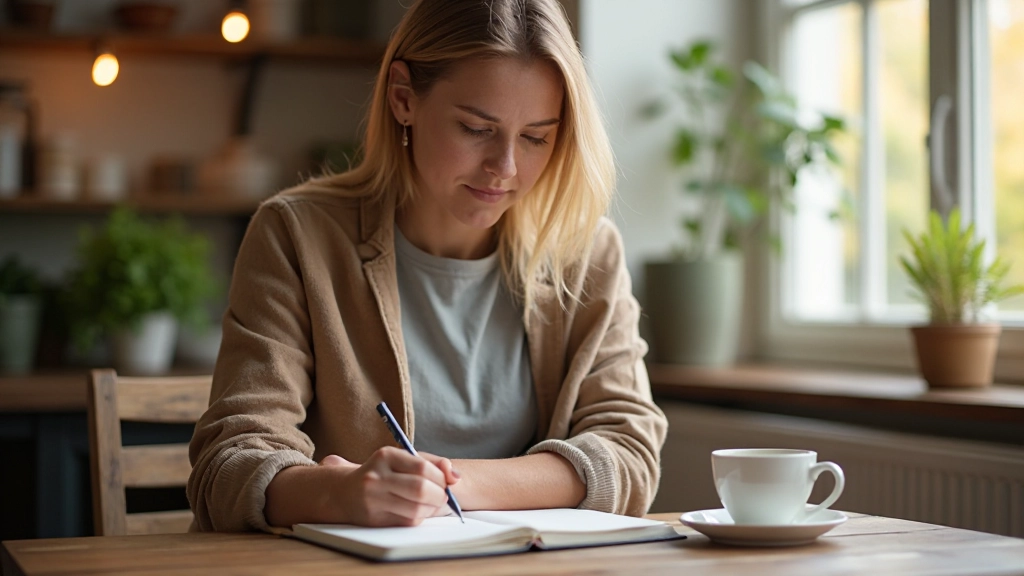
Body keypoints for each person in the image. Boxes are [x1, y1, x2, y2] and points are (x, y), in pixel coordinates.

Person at [187, 0, 667, 532]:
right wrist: (337, 494)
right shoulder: (297, 236)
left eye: (536, 137)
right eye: (476, 128)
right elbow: (229, 462)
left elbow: (629, 451)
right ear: (402, 98)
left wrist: (449, 484)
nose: (505, 168)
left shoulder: (585, 252)